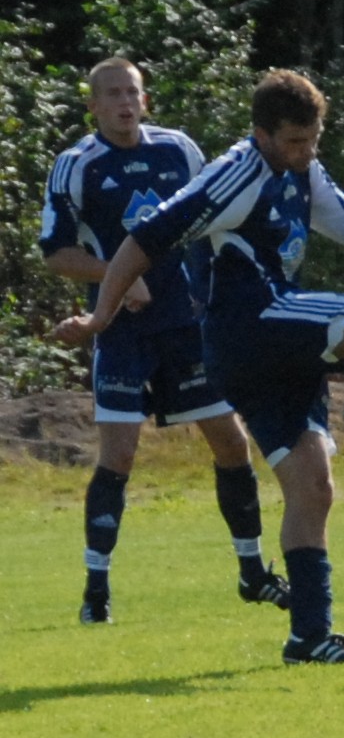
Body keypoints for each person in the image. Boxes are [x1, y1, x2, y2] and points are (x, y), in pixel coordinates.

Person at [54, 69, 344, 666]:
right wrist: (100, 318)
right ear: (261, 133)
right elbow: (143, 240)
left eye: (313, 139)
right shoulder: (237, 172)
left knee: (312, 483)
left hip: (261, 350)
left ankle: (309, 636)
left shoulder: (304, 170)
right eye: (295, 142)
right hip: (251, 324)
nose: (306, 152)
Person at [39, 57, 291, 623]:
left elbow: (213, 222)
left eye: (133, 91)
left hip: (186, 328)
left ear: (145, 100)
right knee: (119, 457)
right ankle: (96, 592)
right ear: (94, 106)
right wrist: (118, 278)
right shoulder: (76, 165)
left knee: (231, 444)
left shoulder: (179, 150)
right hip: (123, 333)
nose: (125, 102)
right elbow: (56, 253)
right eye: (112, 94)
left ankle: (253, 573)